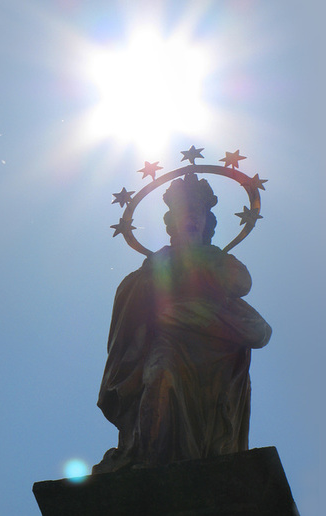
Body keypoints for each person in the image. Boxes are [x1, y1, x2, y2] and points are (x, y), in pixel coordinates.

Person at [93, 173, 272, 474]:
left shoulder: (214, 256)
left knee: (257, 337)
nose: (190, 218)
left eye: (197, 213)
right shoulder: (158, 261)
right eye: (182, 213)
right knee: (161, 377)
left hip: (215, 343)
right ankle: (150, 463)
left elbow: (242, 282)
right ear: (172, 222)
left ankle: (201, 460)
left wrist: (198, 266)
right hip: (170, 339)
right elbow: (136, 296)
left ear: (206, 222)